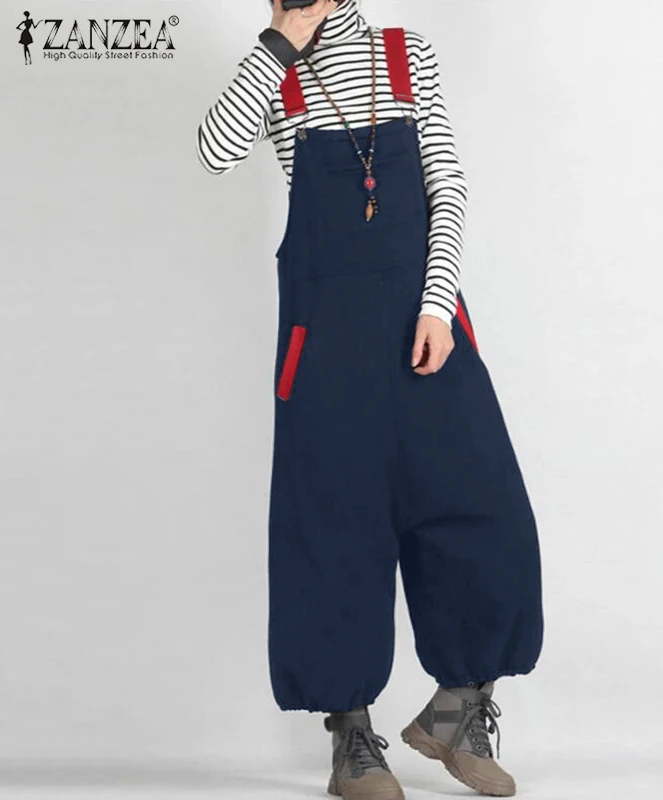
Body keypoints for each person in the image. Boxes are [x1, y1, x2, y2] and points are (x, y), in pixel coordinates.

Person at [196, 1, 544, 797]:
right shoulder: (276, 69)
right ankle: (351, 736)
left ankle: (456, 711)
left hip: (428, 330)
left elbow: (447, 187)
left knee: (484, 514)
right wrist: (280, 43)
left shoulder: (404, 53)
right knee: (334, 531)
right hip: (325, 349)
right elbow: (214, 151)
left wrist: (437, 305)